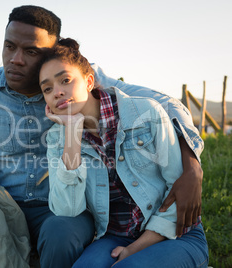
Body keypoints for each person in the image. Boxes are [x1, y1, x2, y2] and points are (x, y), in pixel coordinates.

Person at [0, 5, 204, 268]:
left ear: (52, 53)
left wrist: (191, 165)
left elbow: (166, 105)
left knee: (61, 234)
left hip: (55, 206)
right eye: (9, 47)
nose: (15, 60)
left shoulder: (78, 77)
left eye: (31, 52)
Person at [41, 38, 209, 267]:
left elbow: (177, 193)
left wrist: (135, 249)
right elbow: (67, 209)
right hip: (113, 237)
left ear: (89, 81)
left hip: (176, 232)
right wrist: (71, 133)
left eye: (65, 80)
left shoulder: (146, 113)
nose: (57, 92)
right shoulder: (56, 137)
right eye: (48, 88)